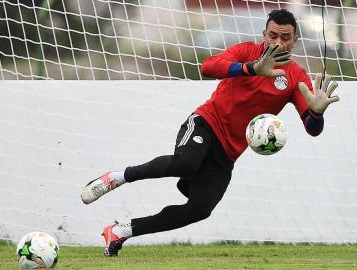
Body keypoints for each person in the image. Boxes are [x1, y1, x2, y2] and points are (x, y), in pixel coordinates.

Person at [80, 9, 339, 256]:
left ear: (295, 40)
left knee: (200, 209)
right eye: (273, 36)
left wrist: (316, 113)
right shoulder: (246, 51)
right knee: (186, 162)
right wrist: (251, 68)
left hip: (228, 152)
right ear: (264, 34)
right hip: (206, 122)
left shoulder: (296, 77)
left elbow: (312, 129)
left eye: (285, 38)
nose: (278, 43)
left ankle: (120, 231)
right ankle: (117, 177)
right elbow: (208, 66)